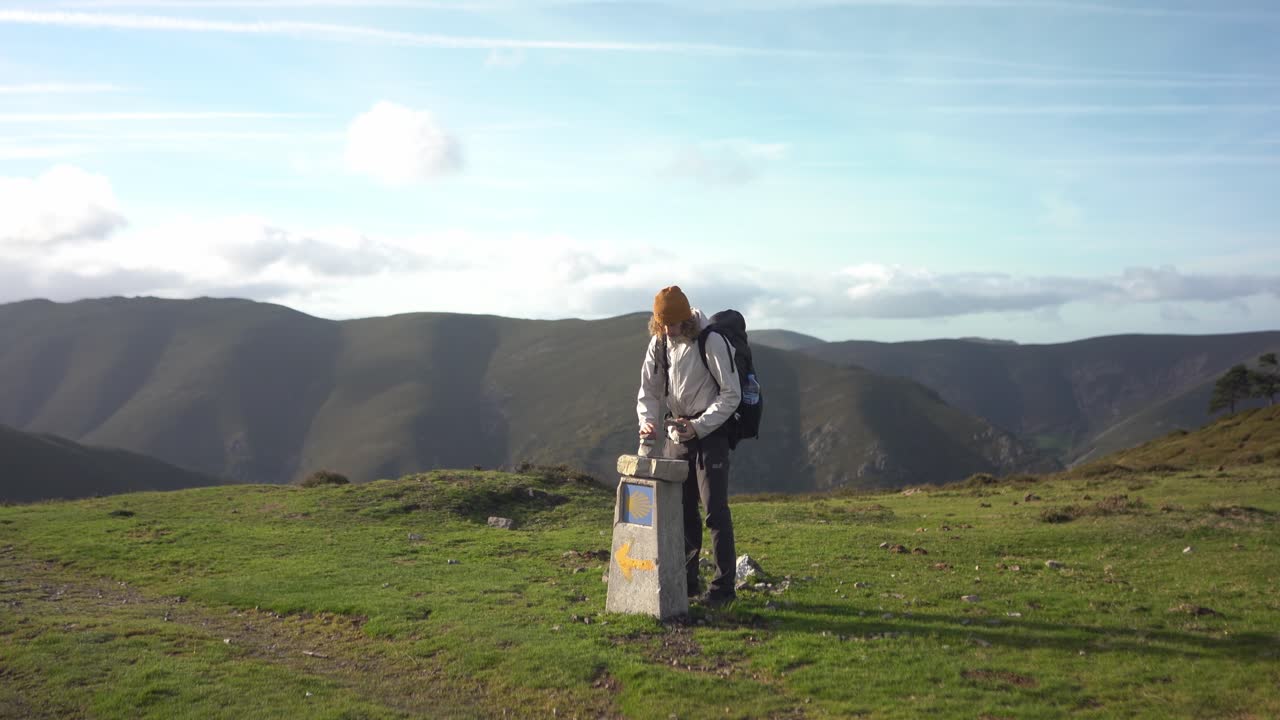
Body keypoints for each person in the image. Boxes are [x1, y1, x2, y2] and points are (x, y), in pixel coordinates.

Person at [636, 286, 742, 608]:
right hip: (676, 435)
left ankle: (724, 589)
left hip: (710, 435)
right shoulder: (659, 344)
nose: (668, 330)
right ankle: (687, 581)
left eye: (673, 323)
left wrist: (698, 426)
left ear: (686, 318)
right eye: (663, 324)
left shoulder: (711, 342)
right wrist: (647, 423)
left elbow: (731, 394)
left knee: (714, 511)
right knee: (680, 512)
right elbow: (650, 392)